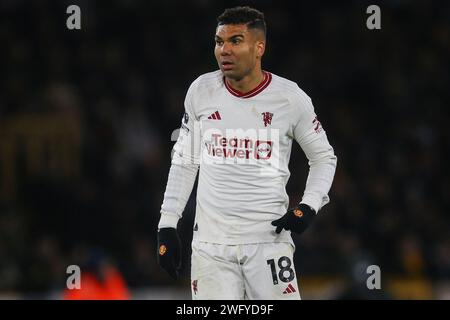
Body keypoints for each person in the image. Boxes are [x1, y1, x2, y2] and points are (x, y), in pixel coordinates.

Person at [157, 6, 337, 300]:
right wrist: (167, 224)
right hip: (210, 247)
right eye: (219, 41)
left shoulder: (290, 99)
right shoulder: (201, 91)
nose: (224, 50)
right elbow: (185, 160)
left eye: (235, 41)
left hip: (268, 242)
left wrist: (309, 205)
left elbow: (323, 157)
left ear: (259, 48)